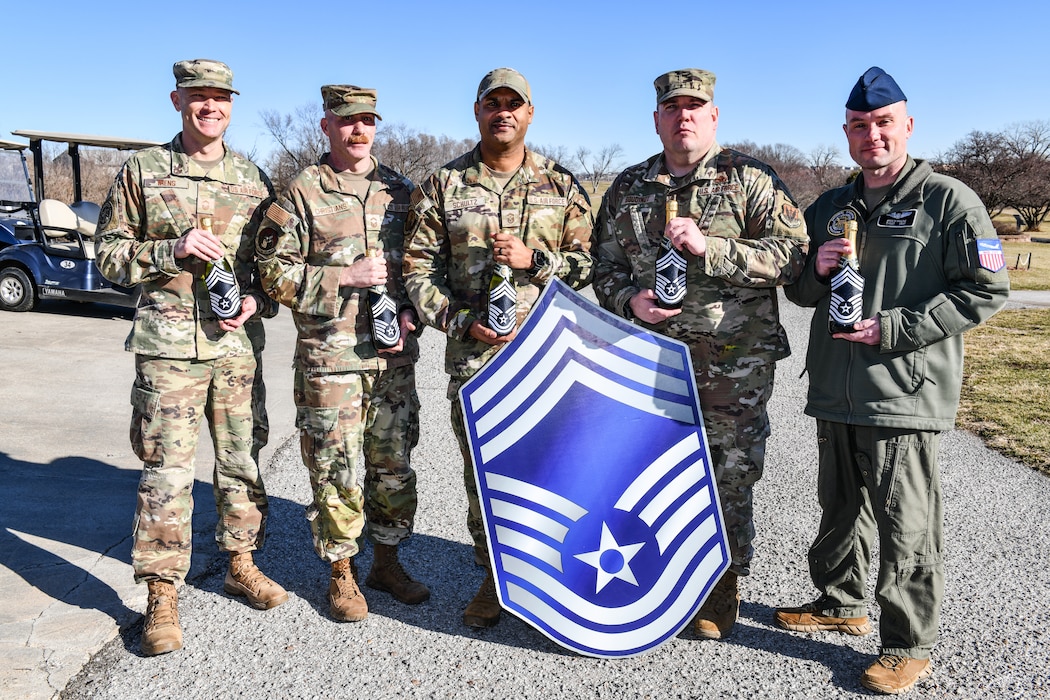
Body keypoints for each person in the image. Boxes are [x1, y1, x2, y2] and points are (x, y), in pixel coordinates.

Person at [775, 67, 1010, 695]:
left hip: (902, 389)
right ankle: (840, 602)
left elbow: (987, 289)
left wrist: (896, 328)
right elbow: (799, 292)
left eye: (883, 123)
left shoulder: (948, 200)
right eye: (859, 126)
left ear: (906, 126)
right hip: (834, 386)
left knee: (906, 522)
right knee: (840, 507)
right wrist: (816, 270)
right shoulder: (830, 206)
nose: (871, 135)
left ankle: (909, 643)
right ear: (846, 134)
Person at [592, 68, 808, 640]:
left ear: (714, 116)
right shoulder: (629, 187)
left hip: (732, 364)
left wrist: (710, 248)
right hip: (651, 360)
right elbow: (603, 266)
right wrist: (627, 300)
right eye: (673, 108)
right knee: (653, 471)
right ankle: (664, 575)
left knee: (728, 473)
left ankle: (722, 585)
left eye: (695, 107)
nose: (684, 116)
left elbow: (793, 259)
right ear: (657, 119)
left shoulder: (751, 181)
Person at [94, 59, 287, 657]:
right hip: (168, 352)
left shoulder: (255, 180)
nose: (210, 107)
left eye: (220, 98)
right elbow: (106, 257)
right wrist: (169, 250)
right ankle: (161, 592)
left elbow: (269, 271)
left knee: (242, 464)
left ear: (232, 105)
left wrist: (256, 302)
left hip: (234, 350)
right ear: (178, 100)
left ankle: (240, 562)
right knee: (166, 475)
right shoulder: (144, 172)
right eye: (199, 97)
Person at [403, 67, 593, 628]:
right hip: (477, 359)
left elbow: (591, 265)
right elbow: (417, 267)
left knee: (556, 469)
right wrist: (459, 321)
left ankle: (555, 575)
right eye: (493, 103)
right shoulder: (444, 185)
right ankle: (496, 578)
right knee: (486, 473)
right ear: (478, 111)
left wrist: (535, 260)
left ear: (530, 113)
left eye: (515, 103)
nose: (503, 112)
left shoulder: (561, 185)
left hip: (550, 356)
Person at [256, 85, 427, 622]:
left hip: (392, 358)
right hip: (331, 361)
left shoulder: (400, 190)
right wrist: (342, 277)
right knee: (336, 469)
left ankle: (387, 562)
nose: (359, 130)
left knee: (393, 466)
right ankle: (341, 574)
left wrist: (412, 313)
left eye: (368, 120)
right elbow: (273, 274)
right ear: (326, 125)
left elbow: (423, 267)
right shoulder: (302, 191)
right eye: (347, 120)